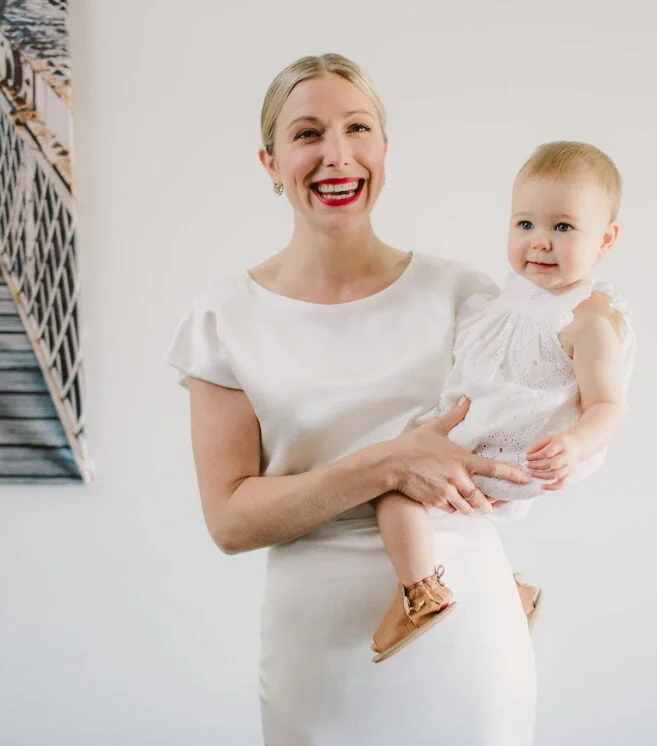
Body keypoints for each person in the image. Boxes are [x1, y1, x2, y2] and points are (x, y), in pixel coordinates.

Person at [166, 53, 540, 745]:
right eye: (307, 134)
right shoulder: (223, 316)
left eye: (358, 128)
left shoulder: (462, 294)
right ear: (270, 162)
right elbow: (230, 521)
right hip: (319, 656)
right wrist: (387, 464)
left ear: (384, 150)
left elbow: (519, 432)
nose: (336, 155)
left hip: (469, 639)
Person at [370, 141, 637, 661]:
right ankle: (511, 593)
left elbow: (608, 406)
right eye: (525, 224)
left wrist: (576, 444)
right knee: (432, 503)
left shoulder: (587, 320)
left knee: (394, 488)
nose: (540, 241)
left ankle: (421, 595)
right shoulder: (519, 293)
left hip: (516, 451)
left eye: (563, 227)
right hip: (483, 429)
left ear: (605, 239)